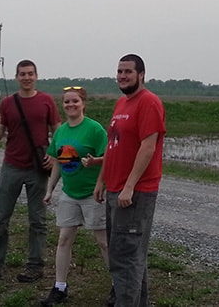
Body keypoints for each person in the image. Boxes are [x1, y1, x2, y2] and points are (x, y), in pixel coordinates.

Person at [0, 59, 61, 284]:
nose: (26, 77)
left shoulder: (46, 101)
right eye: (22, 74)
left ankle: (35, 265)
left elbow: (58, 131)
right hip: (12, 166)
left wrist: (54, 155)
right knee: (1, 218)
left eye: (30, 73)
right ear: (16, 77)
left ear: (36, 76)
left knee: (37, 220)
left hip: (37, 169)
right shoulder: (6, 104)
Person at [94, 54, 166, 307]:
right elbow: (113, 145)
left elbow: (148, 147)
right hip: (116, 189)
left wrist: (129, 186)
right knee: (130, 256)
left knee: (125, 258)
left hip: (134, 193)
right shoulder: (122, 103)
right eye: (119, 71)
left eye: (128, 72)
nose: (122, 76)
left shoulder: (149, 102)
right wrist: (102, 180)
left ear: (141, 75)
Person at [40, 86, 110, 306]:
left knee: (104, 242)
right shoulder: (61, 132)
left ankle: (119, 286)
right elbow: (58, 163)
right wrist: (50, 189)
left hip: (93, 195)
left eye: (75, 101)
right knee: (64, 239)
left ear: (83, 104)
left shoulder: (94, 129)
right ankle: (59, 287)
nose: (71, 105)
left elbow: (109, 158)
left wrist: (99, 179)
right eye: (67, 102)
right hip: (69, 195)